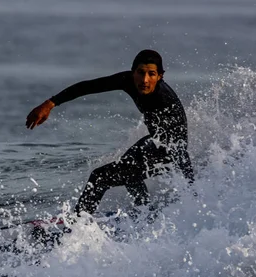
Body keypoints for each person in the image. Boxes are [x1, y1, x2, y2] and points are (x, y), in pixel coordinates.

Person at [26, 49, 194, 215]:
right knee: (128, 167)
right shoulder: (127, 80)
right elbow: (89, 87)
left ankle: (78, 223)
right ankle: (145, 212)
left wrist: (191, 186)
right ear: (132, 72)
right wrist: (50, 103)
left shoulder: (163, 99)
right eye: (140, 72)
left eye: (151, 74)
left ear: (160, 76)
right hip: (154, 141)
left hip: (170, 151)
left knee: (99, 177)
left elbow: (179, 147)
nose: (145, 80)